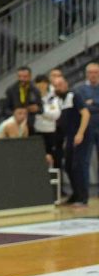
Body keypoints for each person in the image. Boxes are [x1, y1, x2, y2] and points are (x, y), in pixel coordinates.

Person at [57, 73, 90, 207]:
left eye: (60, 85)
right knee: (68, 166)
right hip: (70, 137)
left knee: (78, 166)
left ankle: (83, 197)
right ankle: (76, 194)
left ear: (66, 84)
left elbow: (86, 114)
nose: (58, 87)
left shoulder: (74, 95)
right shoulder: (61, 100)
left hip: (79, 136)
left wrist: (80, 133)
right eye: (56, 86)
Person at [71, 61, 99, 207]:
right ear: (86, 74)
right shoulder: (79, 88)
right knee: (84, 162)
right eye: (90, 72)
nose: (93, 75)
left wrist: (92, 102)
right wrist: (92, 105)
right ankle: (84, 195)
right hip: (86, 128)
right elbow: (82, 107)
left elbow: (89, 106)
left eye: (96, 72)